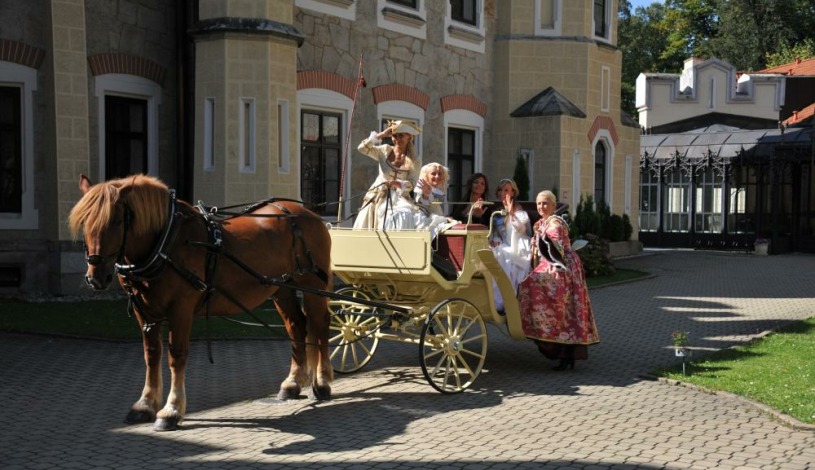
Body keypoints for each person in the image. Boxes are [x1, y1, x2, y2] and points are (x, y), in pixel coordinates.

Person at [517, 190, 600, 371]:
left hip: (562, 266)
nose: (541, 207)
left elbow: (555, 249)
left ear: (554, 206)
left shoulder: (554, 224)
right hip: (554, 264)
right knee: (560, 309)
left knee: (560, 308)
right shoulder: (541, 222)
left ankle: (563, 352)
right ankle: (561, 352)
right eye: (539, 204)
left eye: (545, 203)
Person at [353, 120, 422, 230]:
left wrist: (397, 183)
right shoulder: (384, 150)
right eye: (394, 136)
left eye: (401, 136)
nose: (397, 139)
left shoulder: (415, 159)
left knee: (402, 215)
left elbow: (412, 183)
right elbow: (362, 148)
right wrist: (382, 135)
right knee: (365, 223)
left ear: (409, 137)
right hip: (377, 195)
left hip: (399, 198)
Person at [489, 178, 531, 311]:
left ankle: (504, 300)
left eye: (506, 190)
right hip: (503, 243)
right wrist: (494, 240)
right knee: (492, 252)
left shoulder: (518, 209)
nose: (503, 193)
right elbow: (494, 232)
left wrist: (511, 212)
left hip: (518, 244)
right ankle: (493, 298)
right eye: (501, 190)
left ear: (513, 192)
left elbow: (521, 229)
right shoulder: (496, 211)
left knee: (504, 255)